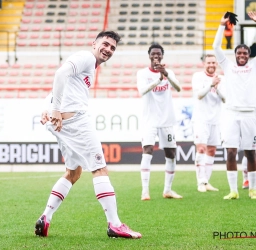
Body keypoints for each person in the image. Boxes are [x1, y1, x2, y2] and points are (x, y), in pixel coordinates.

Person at [35, 31, 142, 239]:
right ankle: (115, 224)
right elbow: (60, 74)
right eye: (105, 44)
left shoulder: (90, 67)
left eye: (112, 48)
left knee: (73, 173)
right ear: (94, 43)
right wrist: (55, 109)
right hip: (75, 122)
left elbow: (63, 84)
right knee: (99, 168)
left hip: (62, 124)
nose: (108, 49)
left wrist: (47, 108)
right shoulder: (86, 57)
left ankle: (45, 217)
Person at [212, 11, 256, 199]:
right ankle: (233, 190)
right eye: (239, 52)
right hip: (231, 114)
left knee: (251, 153)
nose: (242, 55)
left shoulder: (253, 66)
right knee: (230, 152)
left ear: (249, 55)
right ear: (235, 54)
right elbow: (215, 46)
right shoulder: (228, 66)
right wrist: (222, 25)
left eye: (245, 53)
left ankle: (253, 189)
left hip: (250, 114)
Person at [137, 44, 183, 201]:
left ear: (162, 56)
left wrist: (167, 75)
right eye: (153, 54)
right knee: (147, 150)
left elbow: (179, 88)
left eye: (159, 54)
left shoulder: (169, 73)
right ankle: (145, 191)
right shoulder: (143, 73)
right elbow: (142, 91)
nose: (156, 56)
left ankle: (168, 190)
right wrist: (158, 80)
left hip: (167, 121)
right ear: (149, 55)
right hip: (149, 121)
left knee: (171, 154)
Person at [191, 54, 225, 192]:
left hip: (216, 120)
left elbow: (225, 99)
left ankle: (207, 182)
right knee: (201, 149)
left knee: (212, 150)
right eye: (209, 62)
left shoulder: (222, 79)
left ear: (217, 64)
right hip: (201, 119)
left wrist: (217, 88)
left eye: (213, 62)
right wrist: (211, 84)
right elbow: (199, 95)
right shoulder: (198, 77)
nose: (211, 65)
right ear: (204, 64)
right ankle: (200, 182)